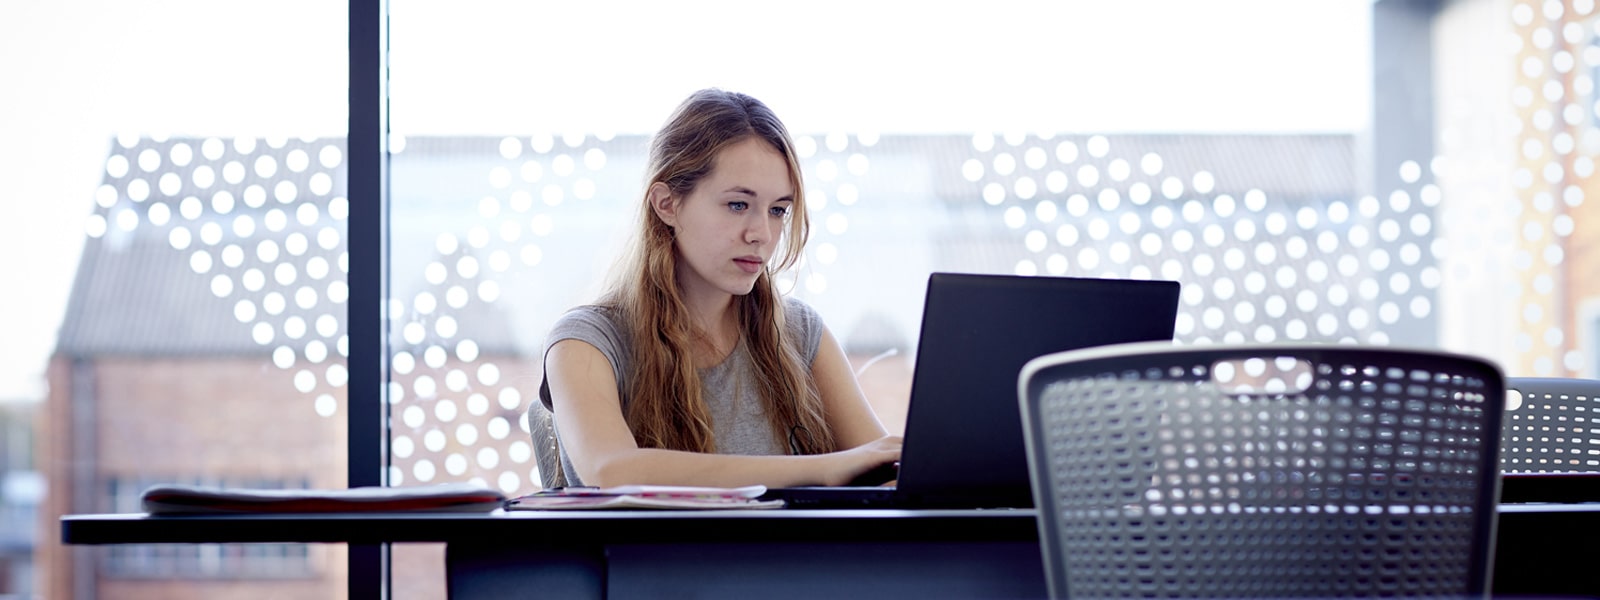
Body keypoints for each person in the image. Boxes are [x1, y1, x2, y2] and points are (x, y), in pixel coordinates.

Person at [535, 89, 901, 488]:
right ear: (667, 204)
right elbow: (612, 471)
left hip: (791, 554)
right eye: (738, 205)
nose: (761, 234)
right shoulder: (586, 341)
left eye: (778, 210)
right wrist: (825, 468)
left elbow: (879, 469)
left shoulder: (798, 332)